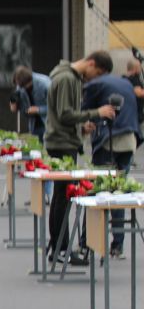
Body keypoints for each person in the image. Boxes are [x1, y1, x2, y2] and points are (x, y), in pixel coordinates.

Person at [44, 49, 114, 261]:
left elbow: (63, 114)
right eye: (98, 73)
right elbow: (65, 114)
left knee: (61, 196)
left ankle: (58, 247)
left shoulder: (69, 77)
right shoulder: (66, 78)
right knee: (63, 197)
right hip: (61, 142)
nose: (95, 79)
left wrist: (82, 127)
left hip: (64, 139)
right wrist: (96, 113)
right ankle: (61, 248)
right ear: (91, 64)